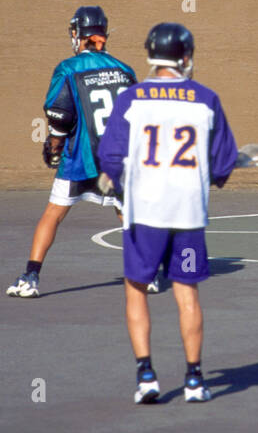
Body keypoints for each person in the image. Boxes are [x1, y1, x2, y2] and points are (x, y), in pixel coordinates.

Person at [96, 22, 238, 404]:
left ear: (149, 55)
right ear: (186, 57)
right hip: (188, 213)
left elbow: (110, 156)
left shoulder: (132, 99)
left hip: (145, 211)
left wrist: (116, 178)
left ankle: (146, 376)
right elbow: (223, 164)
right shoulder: (206, 99)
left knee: (136, 287)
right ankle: (194, 380)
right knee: (186, 291)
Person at [5, 7, 136, 298]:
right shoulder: (124, 69)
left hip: (80, 158)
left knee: (53, 213)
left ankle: (31, 276)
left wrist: (55, 144)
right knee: (126, 215)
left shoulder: (68, 68)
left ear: (78, 34)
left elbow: (60, 114)